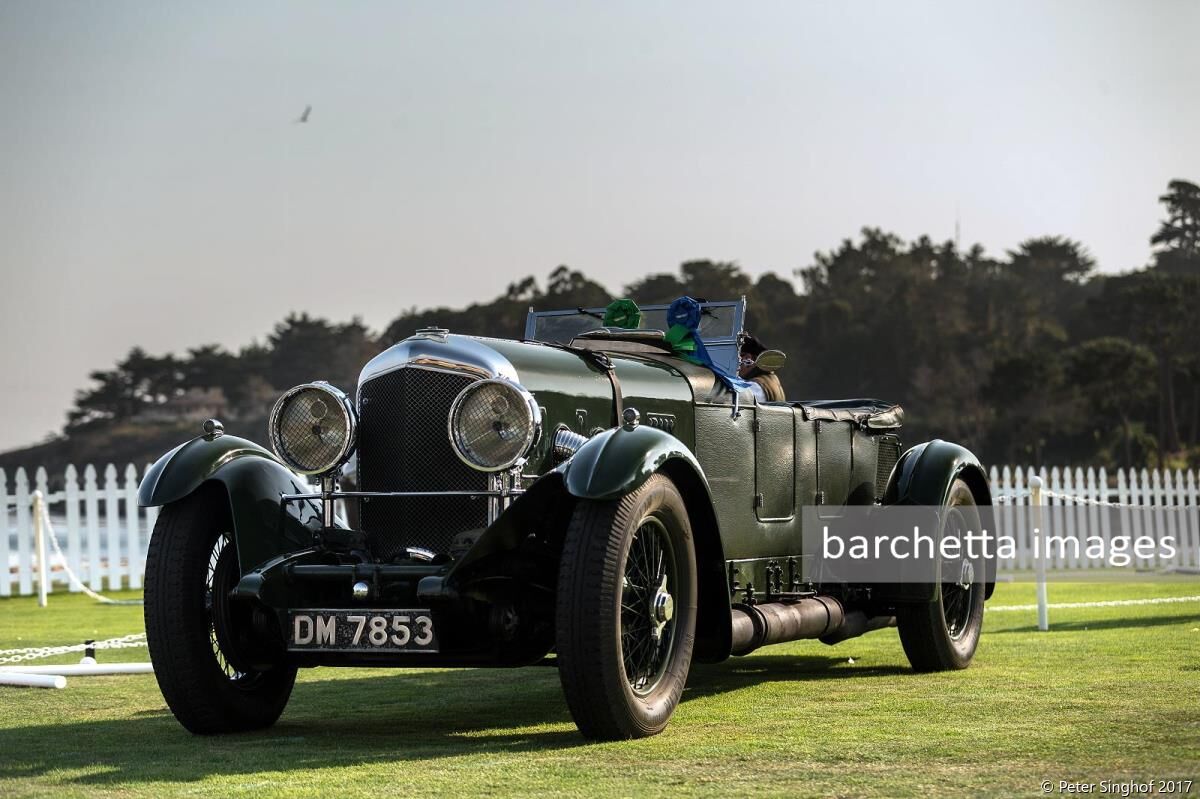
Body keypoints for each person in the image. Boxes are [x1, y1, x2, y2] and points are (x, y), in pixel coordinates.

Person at [738, 333, 787, 402]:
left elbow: (733, 399)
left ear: (748, 358)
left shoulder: (756, 386)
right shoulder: (770, 380)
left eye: (737, 357)